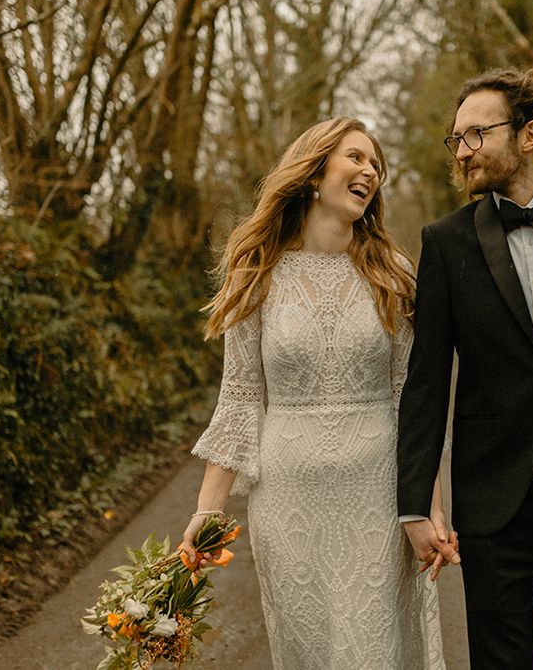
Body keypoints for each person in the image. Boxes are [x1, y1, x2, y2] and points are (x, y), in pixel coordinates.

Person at [182, 117, 456, 669]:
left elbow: (412, 399)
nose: (370, 170)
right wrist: (206, 512)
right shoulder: (255, 271)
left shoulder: (394, 273)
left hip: (377, 494)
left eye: (375, 163)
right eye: (356, 157)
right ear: (312, 172)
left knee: (372, 649)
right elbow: (238, 398)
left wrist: (431, 510)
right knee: (308, 651)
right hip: (288, 503)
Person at [397, 65, 533, 669]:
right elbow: (426, 380)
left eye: (476, 134)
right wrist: (416, 502)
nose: (462, 151)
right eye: (456, 140)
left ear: (529, 134)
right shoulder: (445, 242)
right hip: (496, 504)